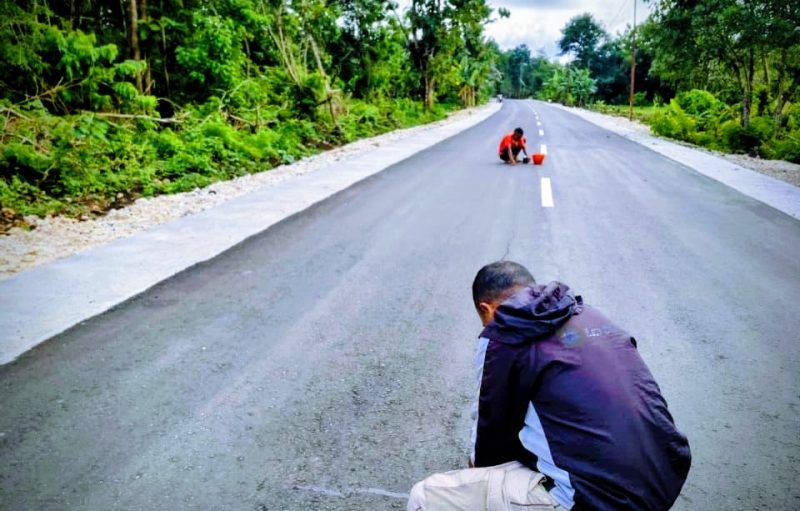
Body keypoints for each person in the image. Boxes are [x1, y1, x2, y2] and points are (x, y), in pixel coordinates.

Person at [408, 261, 691, 511]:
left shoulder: (503, 333)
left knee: (424, 496)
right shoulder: (588, 314)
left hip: (597, 500)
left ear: (487, 308)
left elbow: (487, 444)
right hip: (664, 479)